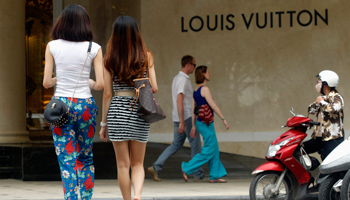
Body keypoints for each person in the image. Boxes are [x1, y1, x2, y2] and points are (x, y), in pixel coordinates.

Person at [42, 4, 104, 200]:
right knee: (85, 156)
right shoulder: (93, 48)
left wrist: (57, 79)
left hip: (61, 106)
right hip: (85, 104)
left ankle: (71, 198)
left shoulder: (52, 46)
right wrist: (91, 83)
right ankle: (86, 197)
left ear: (62, 22)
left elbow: (45, 83)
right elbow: (101, 84)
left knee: (66, 159)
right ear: (85, 23)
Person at [99, 16, 158, 200]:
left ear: (115, 34)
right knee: (138, 163)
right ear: (136, 33)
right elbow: (154, 88)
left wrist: (104, 123)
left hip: (117, 111)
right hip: (139, 110)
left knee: (122, 165)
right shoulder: (146, 56)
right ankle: (137, 196)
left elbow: (107, 93)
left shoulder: (109, 59)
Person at [147, 55, 206, 182]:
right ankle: (198, 174)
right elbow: (180, 101)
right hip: (186, 118)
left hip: (179, 118)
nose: (195, 68)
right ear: (188, 65)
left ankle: (155, 167)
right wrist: (183, 122)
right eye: (194, 65)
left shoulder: (176, 78)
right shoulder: (183, 80)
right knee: (196, 146)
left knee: (176, 145)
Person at [181, 65, 229, 183]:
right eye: (207, 72)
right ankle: (187, 168)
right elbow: (213, 105)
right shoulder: (205, 89)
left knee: (214, 149)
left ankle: (214, 176)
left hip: (201, 123)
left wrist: (193, 126)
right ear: (203, 74)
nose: (209, 74)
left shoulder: (196, 91)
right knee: (208, 150)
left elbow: (194, 110)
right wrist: (223, 118)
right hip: (206, 124)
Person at [303, 70, 344, 160]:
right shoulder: (322, 98)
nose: (317, 85)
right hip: (318, 138)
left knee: (330, 163)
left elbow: (334, 109)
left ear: (326, 84)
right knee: (300, 149)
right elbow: (310, 110)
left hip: (331, 138)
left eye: (319, 82)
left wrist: (321, 102)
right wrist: (318, 102)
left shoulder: (337, 97)